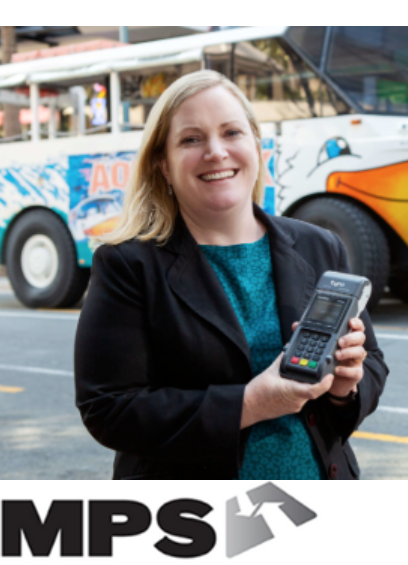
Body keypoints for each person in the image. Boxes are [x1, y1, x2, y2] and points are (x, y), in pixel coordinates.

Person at [74, 70, 388, 480]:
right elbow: (109, 409)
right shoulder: (127, 264)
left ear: (257, 147)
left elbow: (374, 364)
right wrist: (251, 403)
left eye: (232, 133)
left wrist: (346, 387)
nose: (216, 152)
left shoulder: (320, 246)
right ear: (163, 165)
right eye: (191, 139)